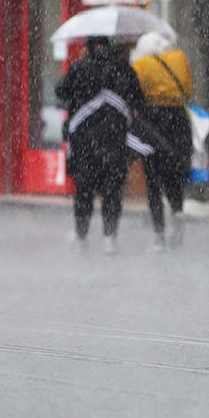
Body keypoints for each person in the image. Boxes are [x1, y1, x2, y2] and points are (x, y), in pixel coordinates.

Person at [56, 36, 146, 255]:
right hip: (115, 141)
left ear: (88, 47)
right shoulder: (123, 69)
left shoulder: (80, 67)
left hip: (84, 142)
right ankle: (109, 238)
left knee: (84, 191)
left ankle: (81, 236)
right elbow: (139, 100)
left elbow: (60, 92)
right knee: (112, 190)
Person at [130, 32, 193, 251]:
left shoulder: (140, 64)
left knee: (153, 180)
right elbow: (188, 89)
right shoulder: (179, 59)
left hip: (153, 121)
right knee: (174, 173)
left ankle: (159, 235)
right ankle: (178, 211)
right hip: (179, 119)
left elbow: (135, 94)